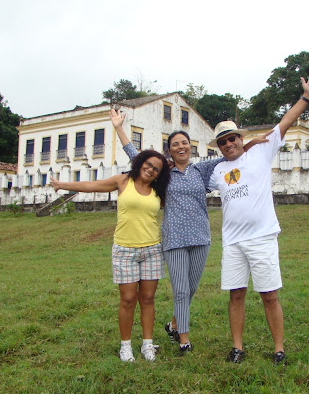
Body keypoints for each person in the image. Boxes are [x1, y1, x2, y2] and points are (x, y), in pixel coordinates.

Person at [110, 109, 266, 355]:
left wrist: (252, 142)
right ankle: (184, 340)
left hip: (201, 238)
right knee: (181, 290)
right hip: (174, 241)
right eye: (175, 144)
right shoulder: (163, 174)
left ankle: (173, 324)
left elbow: (230, 154)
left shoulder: (201, 170)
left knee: (191, 289)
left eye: (184, 143)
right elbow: (136, 156)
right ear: (169, 150)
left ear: (190, 147)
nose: (181, 147)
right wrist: (119, 127)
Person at [207, 70, 309, 365]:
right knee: (236, 295)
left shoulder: (260, 151)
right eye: (222, 142)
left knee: (269, 295)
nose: (228, 144)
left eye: (232, 139)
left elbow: (285, 121)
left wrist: (307, 96)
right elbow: (186, 172)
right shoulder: (217, 170)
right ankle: (237, 347)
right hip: (233, 242)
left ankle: (279, 348)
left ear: (239, 137)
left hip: (261, 237)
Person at [50, 149, 170, 362]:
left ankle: (147, 345)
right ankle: (126, 346)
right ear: (141, 162)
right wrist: (63, 185)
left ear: (159, 174)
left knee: (148, 299)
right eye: (149, 165)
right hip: (124, 250)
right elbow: (92, 186)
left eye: (156, 169)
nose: (151, 170)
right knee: (128, 299)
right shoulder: (123, 181)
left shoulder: (158, 192)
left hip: (152, 249)